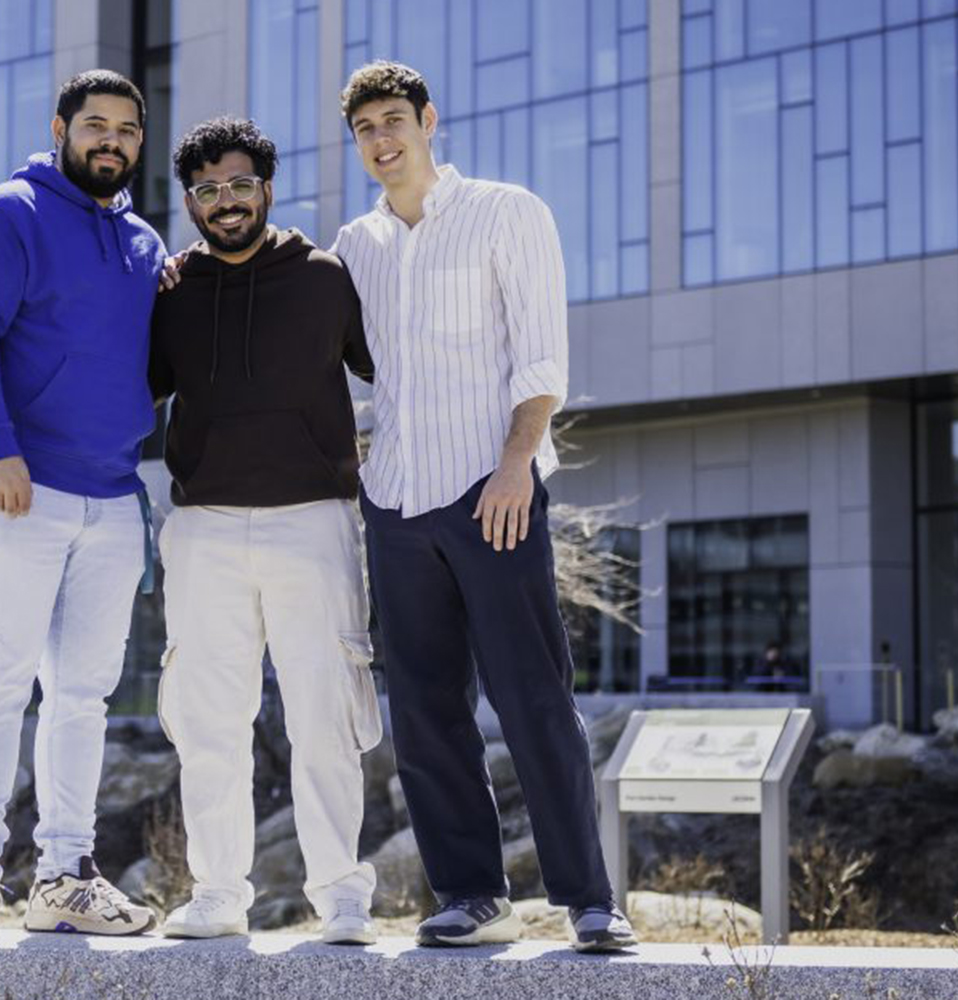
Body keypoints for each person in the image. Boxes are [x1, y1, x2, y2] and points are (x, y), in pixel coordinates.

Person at [333, 61, 637, 952]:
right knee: (425, 714)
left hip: (490, 493)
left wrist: (515, 468)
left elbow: (541, 361)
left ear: (428, 120)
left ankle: (588, 898)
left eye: (395, 120)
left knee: (534, 697)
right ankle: (472, 895)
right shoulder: (355, 246)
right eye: (365, 130)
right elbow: (351, 366)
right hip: (393, 502)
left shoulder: (509, 212)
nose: (383, 140)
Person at [0, 69, 164, 944]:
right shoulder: (5, 212)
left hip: (111, 495)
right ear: (61, 127)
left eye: (127, 130)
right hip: (14, 484)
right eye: (95, 124)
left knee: (83, 696)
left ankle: (66, 874)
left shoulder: (141, 243)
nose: (111, 140)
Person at [147, 117, 380, 945]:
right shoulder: (171, 293)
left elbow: (393, 367)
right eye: (207, 191)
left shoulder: (324, 277)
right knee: (208, 719)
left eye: (240, 185)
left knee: (326, 713)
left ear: (267, 189)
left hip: (312, 519)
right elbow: (136, 390)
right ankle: (217, 892)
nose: (225, 203)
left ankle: (342, 897)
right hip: (204, 525)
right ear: (191, 202)